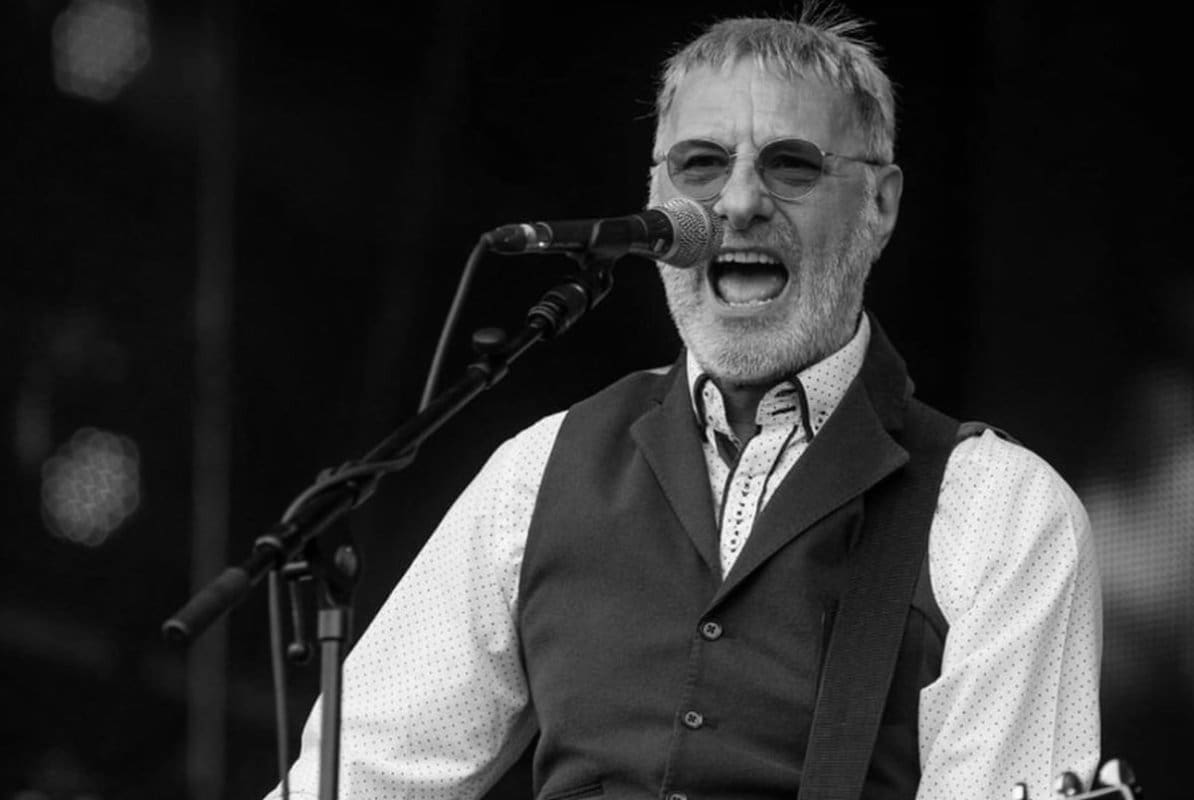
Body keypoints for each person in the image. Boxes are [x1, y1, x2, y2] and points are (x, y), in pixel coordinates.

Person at [267, 7, 1101, 799]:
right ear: (656, 197)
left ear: (879, 206)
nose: (737, 202)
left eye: (792, 164)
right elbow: (362, 776)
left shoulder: (999, 512)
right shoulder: (537, 475)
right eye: (700, 165)